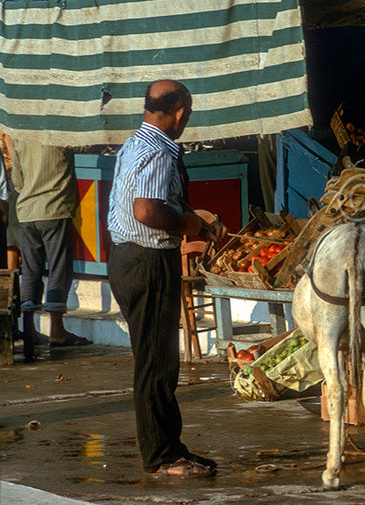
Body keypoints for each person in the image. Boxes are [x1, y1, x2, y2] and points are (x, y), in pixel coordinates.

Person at [107, 79, 227, 477]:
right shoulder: (158, 150)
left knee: (155, 360)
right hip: (147, 261)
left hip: (127, 258)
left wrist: (192, 216)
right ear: (180, 113)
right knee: (157, 363)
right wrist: (188, 223)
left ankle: (169, 448)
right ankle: (162, 456)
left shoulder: (134, 144)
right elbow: (146, 211)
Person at [9, 137, 92, 348]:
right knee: (58, 268)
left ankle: (29, 329)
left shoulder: (21, 137)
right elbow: (85, 145)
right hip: (55, 208)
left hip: (27, 211)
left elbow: (17, 181)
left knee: (30, 271)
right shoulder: (59, 133)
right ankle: (57, 330)